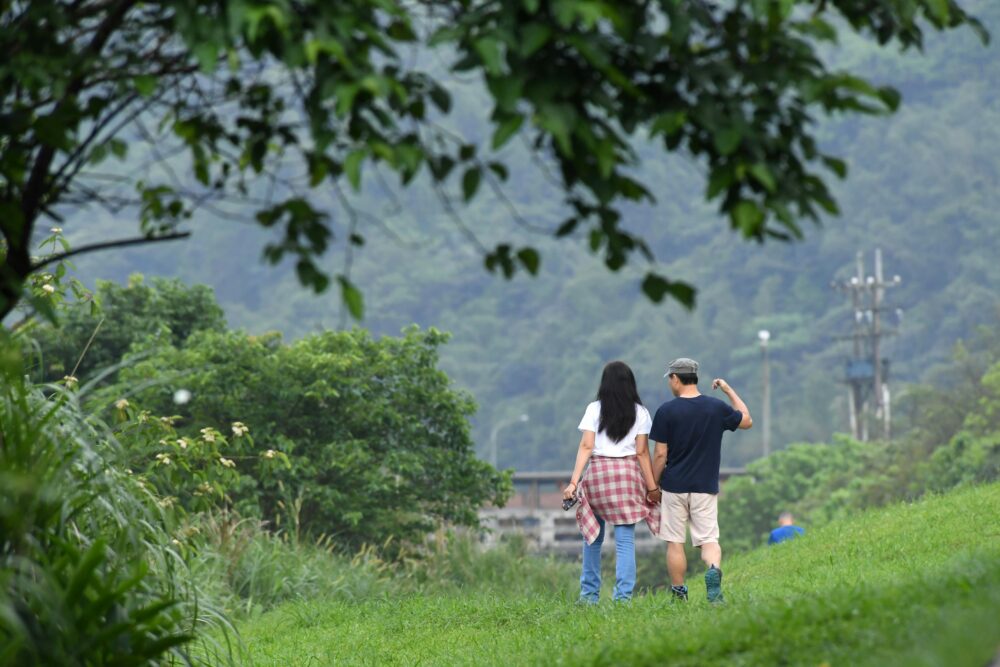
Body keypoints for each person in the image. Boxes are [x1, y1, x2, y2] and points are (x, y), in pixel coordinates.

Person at [649, 358, 752, 603]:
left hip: (674, 487)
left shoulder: (666, 411)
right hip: (705, 486)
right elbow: (746, 420)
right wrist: (728, 390)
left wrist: (653, 486)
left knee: (675, 542)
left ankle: (679, 593)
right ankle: (713, 571)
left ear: (675, 378)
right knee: (709, 540)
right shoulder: (716, 408)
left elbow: (661, 454)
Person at [562, 361, 666, 603]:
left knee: (592, 537)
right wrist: (652, 487)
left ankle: (588, 596)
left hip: (598, 474)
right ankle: (623, 598)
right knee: (625, 540)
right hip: (628, 476)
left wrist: (573, 482)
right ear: (630, 384)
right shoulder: (640, 412)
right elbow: (642, 453)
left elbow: (587, 446)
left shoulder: (593, 409)